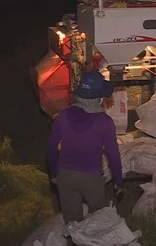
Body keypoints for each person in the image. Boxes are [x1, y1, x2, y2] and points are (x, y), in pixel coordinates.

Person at [48, 70, 123, 226]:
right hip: (91, 178)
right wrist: (118, 181)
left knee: (72, 224)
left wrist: (54, 173)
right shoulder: (105, 122)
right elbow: (113, 155)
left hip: (65, 175)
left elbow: (51, 147)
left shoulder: (63, 115)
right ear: (99, 98)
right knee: (98, 222)